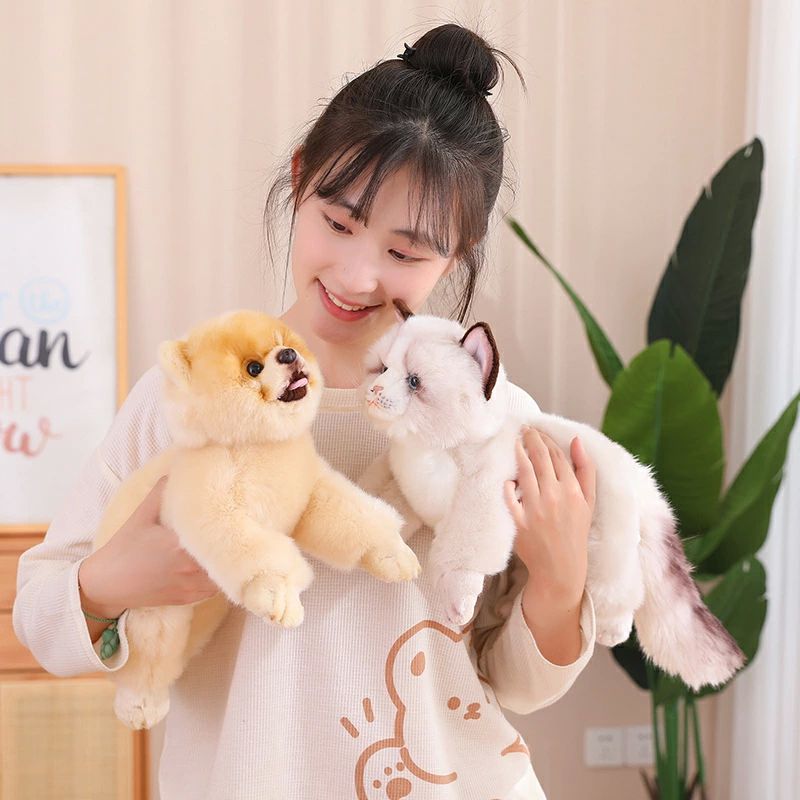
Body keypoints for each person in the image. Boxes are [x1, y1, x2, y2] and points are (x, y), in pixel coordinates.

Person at [13, 22, 597, 799]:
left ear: (458, 250)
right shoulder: (195, 395)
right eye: (339, 223)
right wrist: (111, 582)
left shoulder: (494, 419)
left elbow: (516, 682)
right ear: (299, 178)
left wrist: (561, 580)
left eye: (404, 252)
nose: (357, 275)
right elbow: (41, 618)